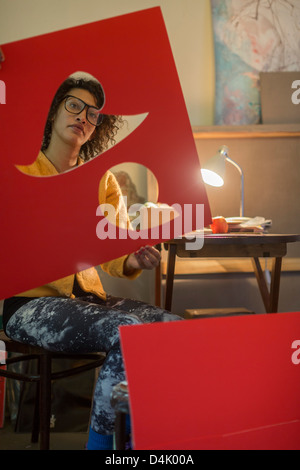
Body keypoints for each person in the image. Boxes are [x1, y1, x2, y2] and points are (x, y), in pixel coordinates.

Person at [2, 72, 180, 450]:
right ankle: (103, 449)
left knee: (173, 327)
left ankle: (142, 444)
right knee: (126, 330)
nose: (83, 116)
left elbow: (112, 253)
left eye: (94, 113)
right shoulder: (19, 170)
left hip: (86, 300)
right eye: (74, 105)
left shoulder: (102, 181)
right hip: (28, 303)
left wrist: (132, 257)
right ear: (52, 112)